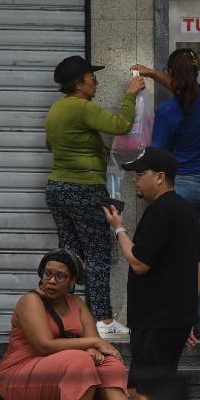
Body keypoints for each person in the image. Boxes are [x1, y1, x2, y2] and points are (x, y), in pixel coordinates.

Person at [104, 147, 200, 400]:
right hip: (167, 318)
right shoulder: (183, 210)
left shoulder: (161, 211)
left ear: (160, 177)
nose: (136, 181)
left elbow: (139, 262)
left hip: (157, 319)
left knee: (149, 393)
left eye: (141, 174)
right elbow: (199, 264)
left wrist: (119, 229)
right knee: (141, 389)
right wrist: (187, 314)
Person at [45, 55, 144, 338]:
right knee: (97, 256)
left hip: (57, 188)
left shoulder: (56, 109)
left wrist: (91, 146)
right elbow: (121, 124)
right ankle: (102, 321)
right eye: (92, 78)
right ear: (79, 84)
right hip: (85, 189)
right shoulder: (82, 107)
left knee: (69, 257)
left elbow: (52, 144)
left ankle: (65, 320)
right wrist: (130, 94)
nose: (96, 82)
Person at [0, 250, 131, 400]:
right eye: (47, 274)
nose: (51, 281)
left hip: (62, 371)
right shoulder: (30, 301)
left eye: (60, 276)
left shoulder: (77, 303)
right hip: (19, 376)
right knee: (80, 361)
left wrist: (92, 345)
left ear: (72, 281)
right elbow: (44, 345)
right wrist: (89, 345)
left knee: (111, 365)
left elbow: (93, 342)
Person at [132, 48, 200, 337]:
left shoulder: (167, 112)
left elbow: (158, 155)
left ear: (171, 75)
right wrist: (152, 73)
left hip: (181, 186)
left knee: (176, 258)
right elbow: (183, 87)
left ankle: (179, 323)